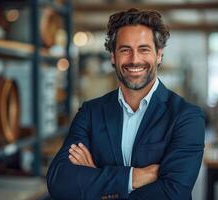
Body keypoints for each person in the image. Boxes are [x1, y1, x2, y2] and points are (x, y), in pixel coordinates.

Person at [47, 8, 205, 200]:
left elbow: (174, 193)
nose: (134, 59)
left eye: (144, 49)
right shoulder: (91, 112)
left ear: (159, 55)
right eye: (125, 50)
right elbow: (59, 181)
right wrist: (134, 177)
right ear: (113, 56)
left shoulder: (186, 117)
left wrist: (101, 186)